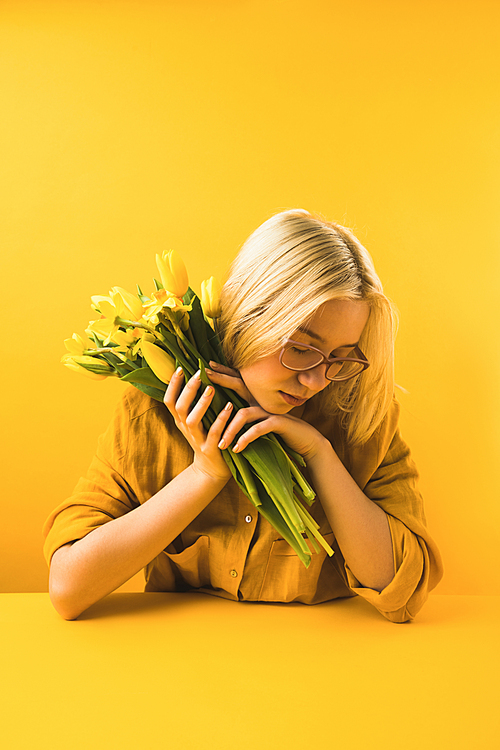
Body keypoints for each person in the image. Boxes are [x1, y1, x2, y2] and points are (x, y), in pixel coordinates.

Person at [43, 208, 444, 623]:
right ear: (249, 318)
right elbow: (69, 589)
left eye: (339, 358)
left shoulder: (359, 415)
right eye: (302, 348)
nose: (315, 380)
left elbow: (402, 592)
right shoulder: (154, 413)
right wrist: (204, 475)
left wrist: (319, 452)